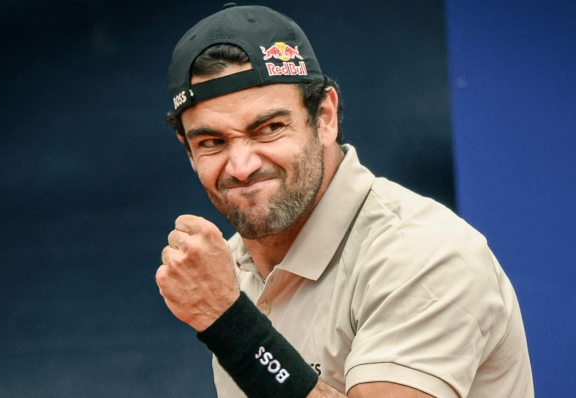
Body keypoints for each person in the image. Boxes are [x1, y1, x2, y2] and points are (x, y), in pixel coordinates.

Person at [156, 4, 534, 398]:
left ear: (325, 116)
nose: (242, 166)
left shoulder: (424, 253)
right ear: (188, 150)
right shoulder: (227, 270)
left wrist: (231, 325)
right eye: (212, 142)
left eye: (269, 128)